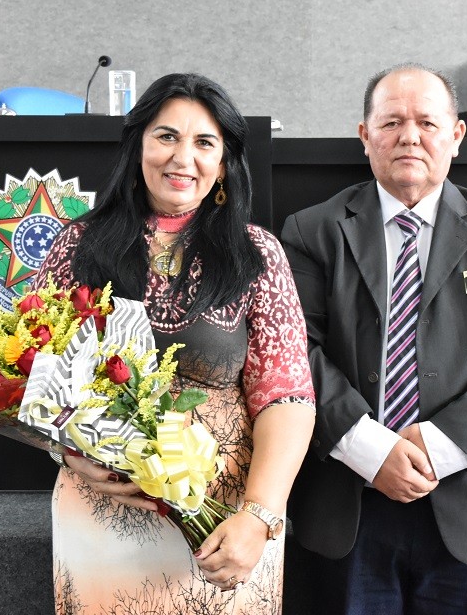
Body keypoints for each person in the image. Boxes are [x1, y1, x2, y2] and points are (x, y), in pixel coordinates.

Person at [281, 63, 467, 615]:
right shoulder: (311, 231)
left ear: (456, 136)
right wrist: (372, 449)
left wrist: (435, 448)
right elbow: (294, 352)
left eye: (427, 122)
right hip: (347, 493)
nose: (410, 136)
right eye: (391, 122)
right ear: (365, 136)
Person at [36, 72, 315, 614]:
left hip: (223, 524)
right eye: (166, 136)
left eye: (204, 142)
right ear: (137, 145)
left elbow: (287, 397)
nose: (182, 157)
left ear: (225, 162)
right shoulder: (77, 244)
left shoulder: (257, 255)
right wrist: (67, 452)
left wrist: (259, 516)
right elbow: (37, 376)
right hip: (103, 517)